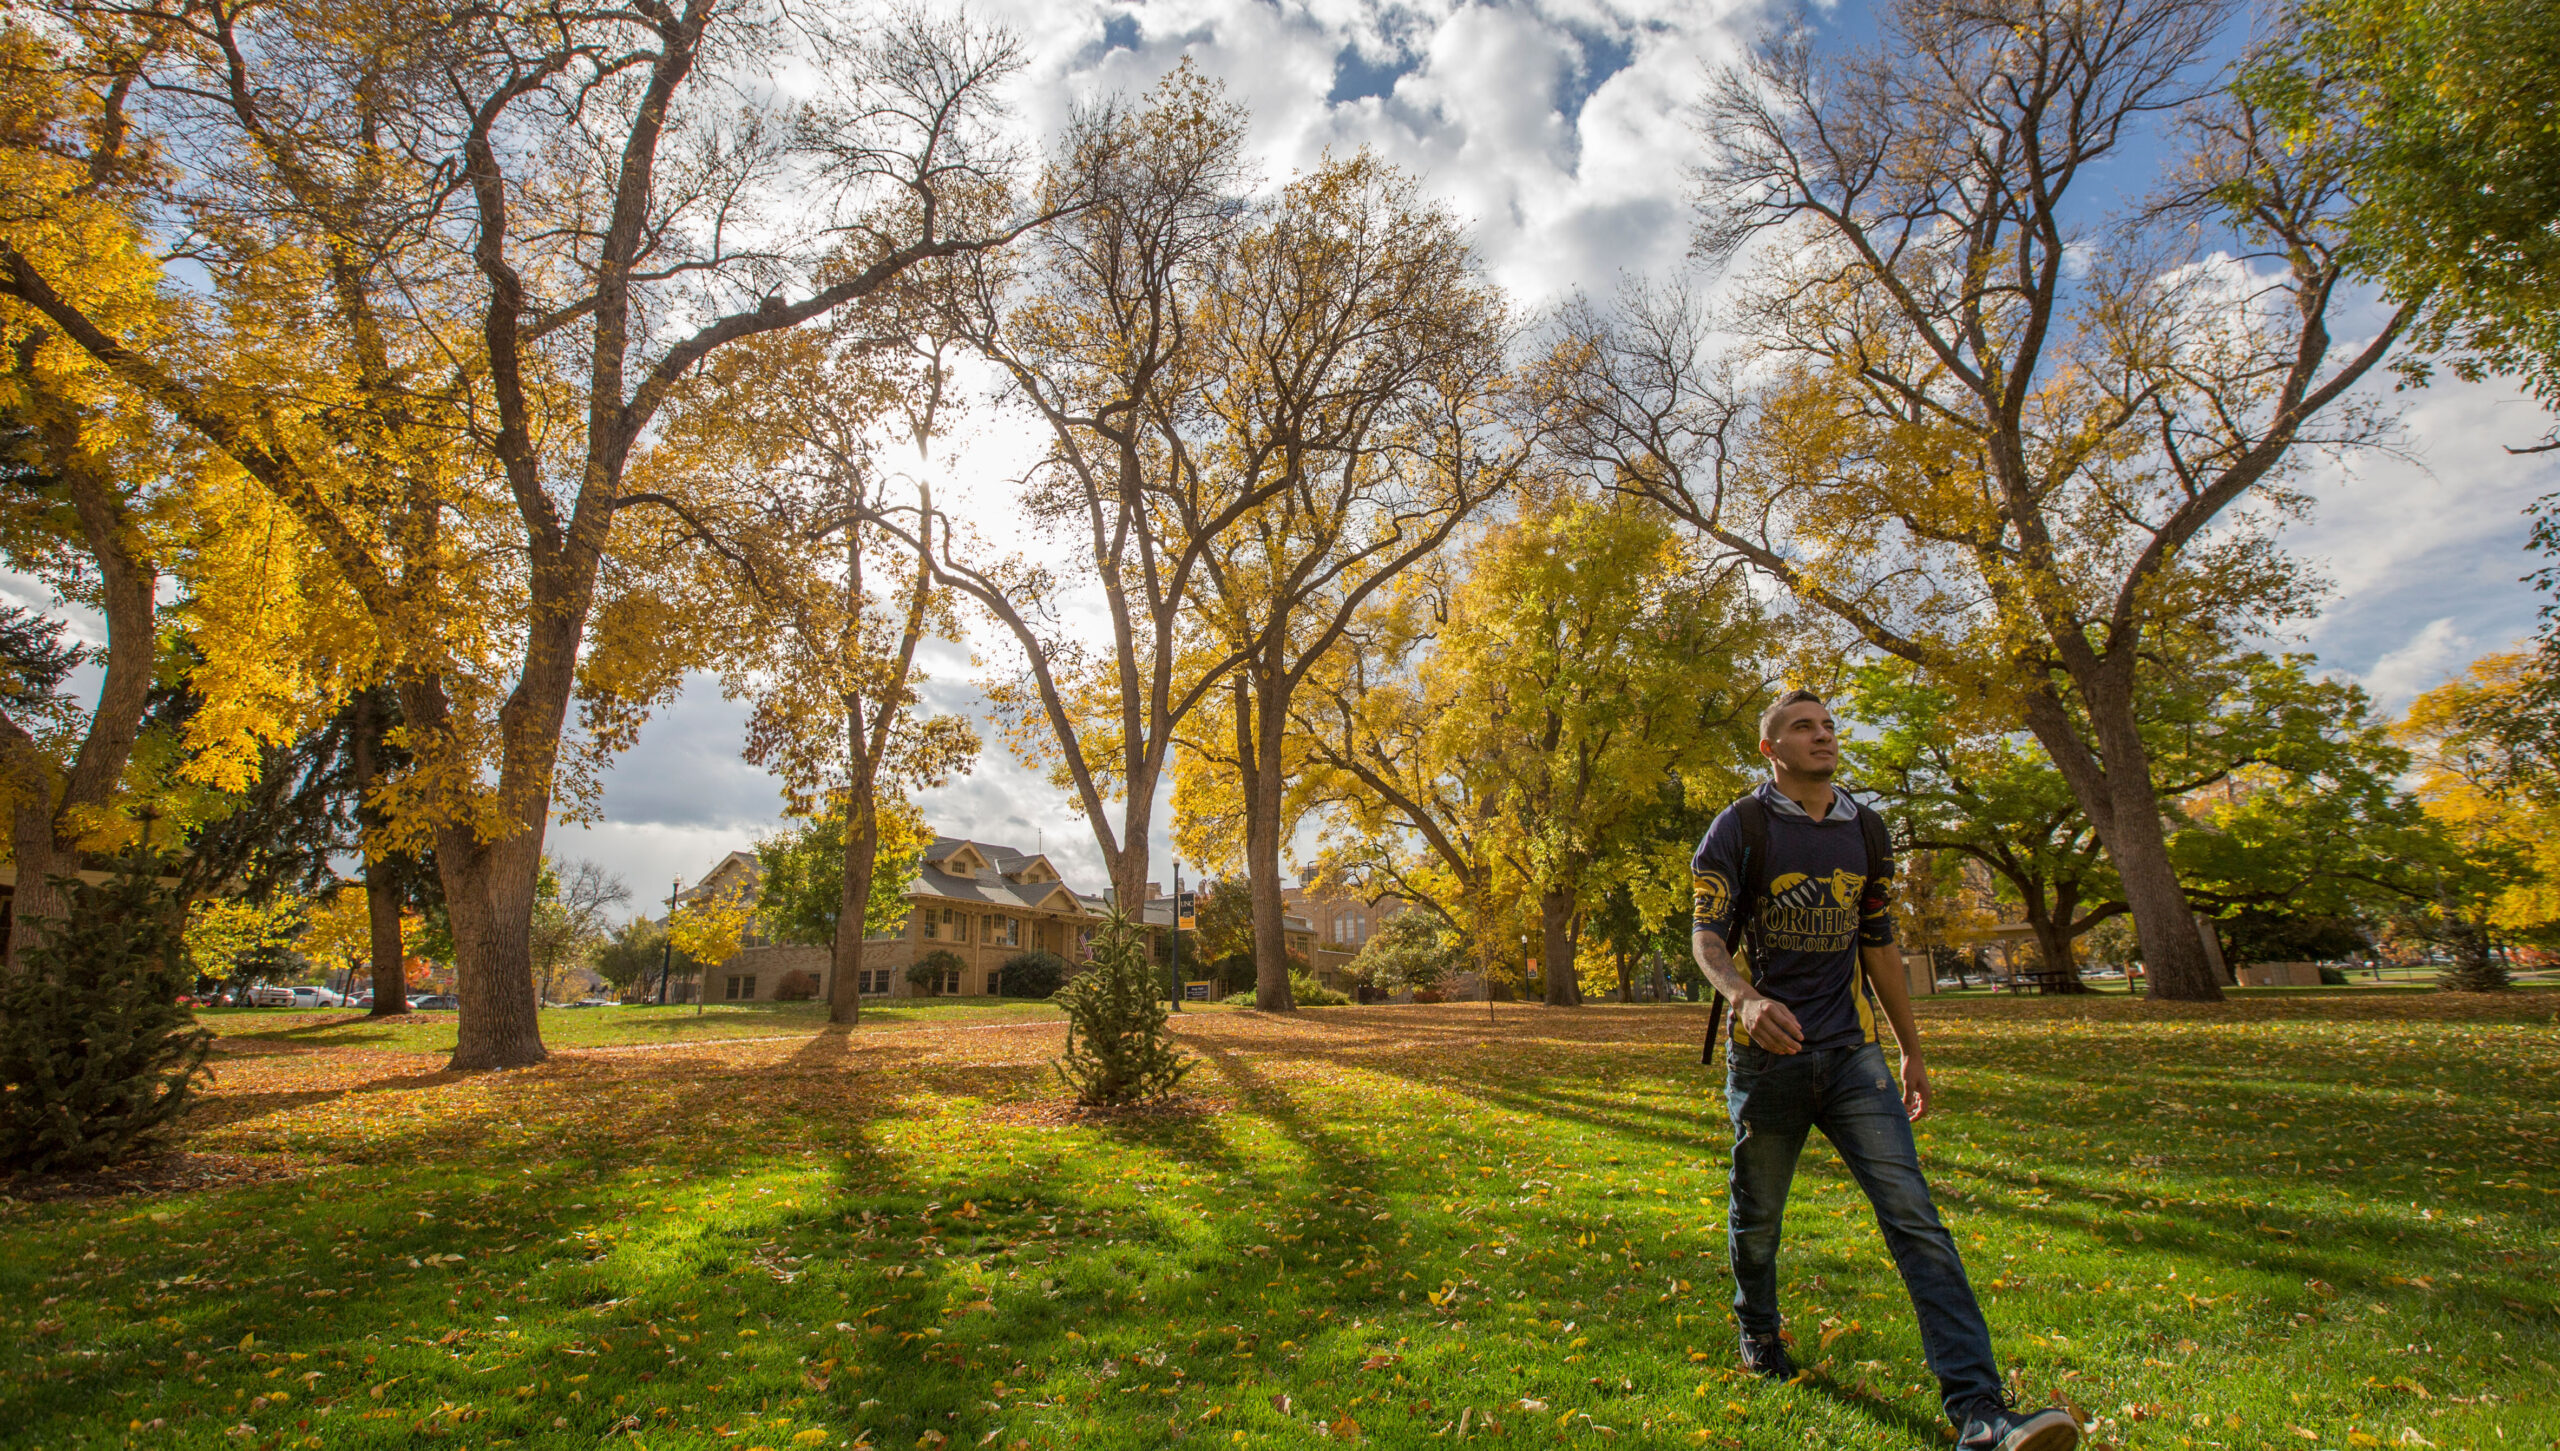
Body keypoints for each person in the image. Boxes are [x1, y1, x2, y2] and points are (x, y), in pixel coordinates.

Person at [1690, 689, 2078, 1451]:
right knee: (1758, 1218)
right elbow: (1706, 935)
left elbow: (1878, 944)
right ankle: (1758, 1330)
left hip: (1853, 1055)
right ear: (1771, 748)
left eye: (1828, 725)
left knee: (1917, 1221)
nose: (1822, 735)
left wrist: (1912, 1046)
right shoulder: (1740, 825)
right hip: (1768, 1061)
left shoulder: (1866, 828)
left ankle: (1980, 1411)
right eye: (1803, 727)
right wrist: (1743, 999)